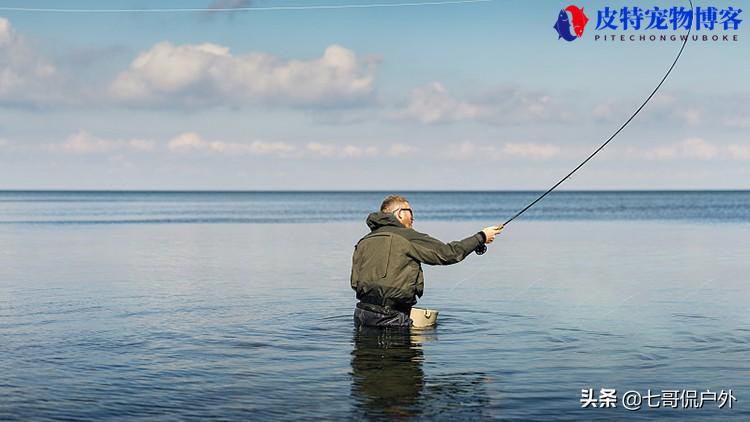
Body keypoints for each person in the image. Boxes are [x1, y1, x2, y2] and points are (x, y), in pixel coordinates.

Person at [350, 194, 502, 328]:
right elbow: (448, 254)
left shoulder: (364, 241)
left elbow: (355, 282)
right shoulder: (407, 236)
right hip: (391, 318)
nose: (413, 217)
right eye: (410, 212)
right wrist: (481, 237)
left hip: (362, 315)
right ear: (399, 214)